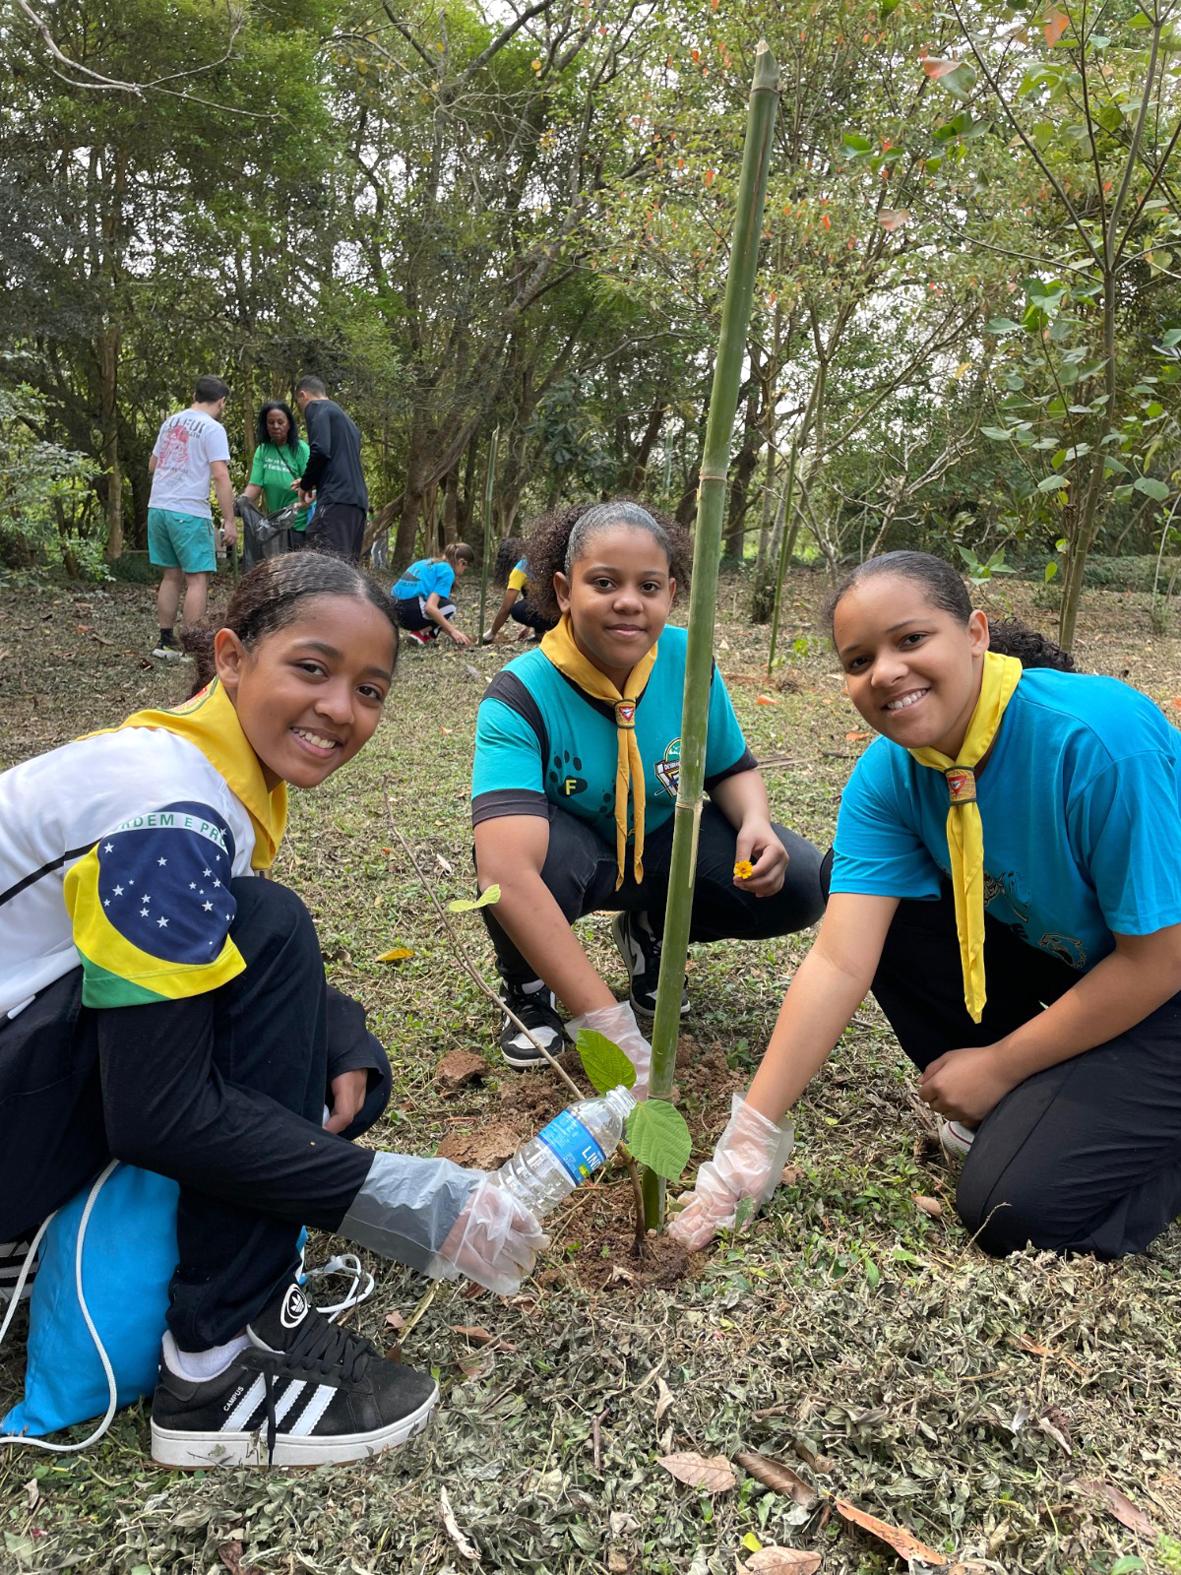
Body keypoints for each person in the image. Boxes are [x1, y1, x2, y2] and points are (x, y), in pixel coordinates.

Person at [0, 553, 547, 1468]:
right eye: (312, 667)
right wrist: (397, 1197)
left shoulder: (193, 773)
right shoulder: (167, 810)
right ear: (228, 657)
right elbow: (157, 1113)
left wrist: (342, 1040)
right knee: (272, 930)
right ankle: (220, 1365)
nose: (341, 707)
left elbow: (200, 969)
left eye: (370, 688)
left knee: (316, 1049)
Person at [670, 550, 1181, 1261]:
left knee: (1006, 1207)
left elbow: (1157, 962)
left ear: (974, 633)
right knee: (856, 891)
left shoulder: (1096, 741)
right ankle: (1041, 1108)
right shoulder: (891, 776)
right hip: (1079, 962)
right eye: (857, 660)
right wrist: (749, 1136)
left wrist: (1000, 1063)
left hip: (1160, 976)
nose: (883, 672)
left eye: (910, 640)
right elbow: (839, 957)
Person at [471, 499, 825, 1072]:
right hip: (576, 857)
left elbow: (730, 769)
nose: (629, 602)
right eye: (604, 582)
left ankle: (651, 930)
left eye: (649, 586)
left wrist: (755, 823)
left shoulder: (688, 660)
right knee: (526, 868)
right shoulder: (519, 694)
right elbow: (504, 871)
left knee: (802, 883)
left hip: (661, 840)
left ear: (671, 592)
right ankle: (530, 991)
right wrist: (612, 1026)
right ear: (563, 591)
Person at [147, 375, 238, 662]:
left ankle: (165, 642)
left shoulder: (170, 423)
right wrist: (230, 520)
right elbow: (220, 474)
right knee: (197, 578)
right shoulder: (212, 428)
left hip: (158, 507)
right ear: (221, 401)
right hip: (188, 510)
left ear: (195, 394)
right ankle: (191, 646)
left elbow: (153, 464)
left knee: (171, 576)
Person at [293, 377, 367, 561]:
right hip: (356, 504)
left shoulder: (317, 408)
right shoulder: (349, 423)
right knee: (345, 569)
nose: (302, 410)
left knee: (321, 563)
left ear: (303, 395)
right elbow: (338, 464)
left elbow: (320, 450)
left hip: (336, 502)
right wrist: (313, 484)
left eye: (298, 403)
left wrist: (306, 485)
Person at [239, 401, 310, 559]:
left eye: (280, 422)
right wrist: (243, 500)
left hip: (298, 524)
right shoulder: (263, 450)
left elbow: (313, 483)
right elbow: (255, 485)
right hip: (275, 526)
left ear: (289, 424)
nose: (276, 426)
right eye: (271, 422)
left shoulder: (300, 449)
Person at [392, 543, 475, 647]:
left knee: (440, 611)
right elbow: (430, 608)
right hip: (411, 613)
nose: (463, 572)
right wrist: (453, 631)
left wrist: (453, 633)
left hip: (395, 613)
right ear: (461, 562)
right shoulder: (447, 571)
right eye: (465, 568)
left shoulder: (427, 562)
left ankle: (420, 634)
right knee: (449, 607)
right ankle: (420, 635)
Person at [481, 539, 556, 643]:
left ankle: (549, 632)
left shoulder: (520, 568)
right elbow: (536, 594)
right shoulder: (537, 559)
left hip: (554, 615)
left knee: (517, 610)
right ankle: (540, 634)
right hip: (561, 608)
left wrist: (491, 633)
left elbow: (505, 608)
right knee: (528, 595)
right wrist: (529, 625)